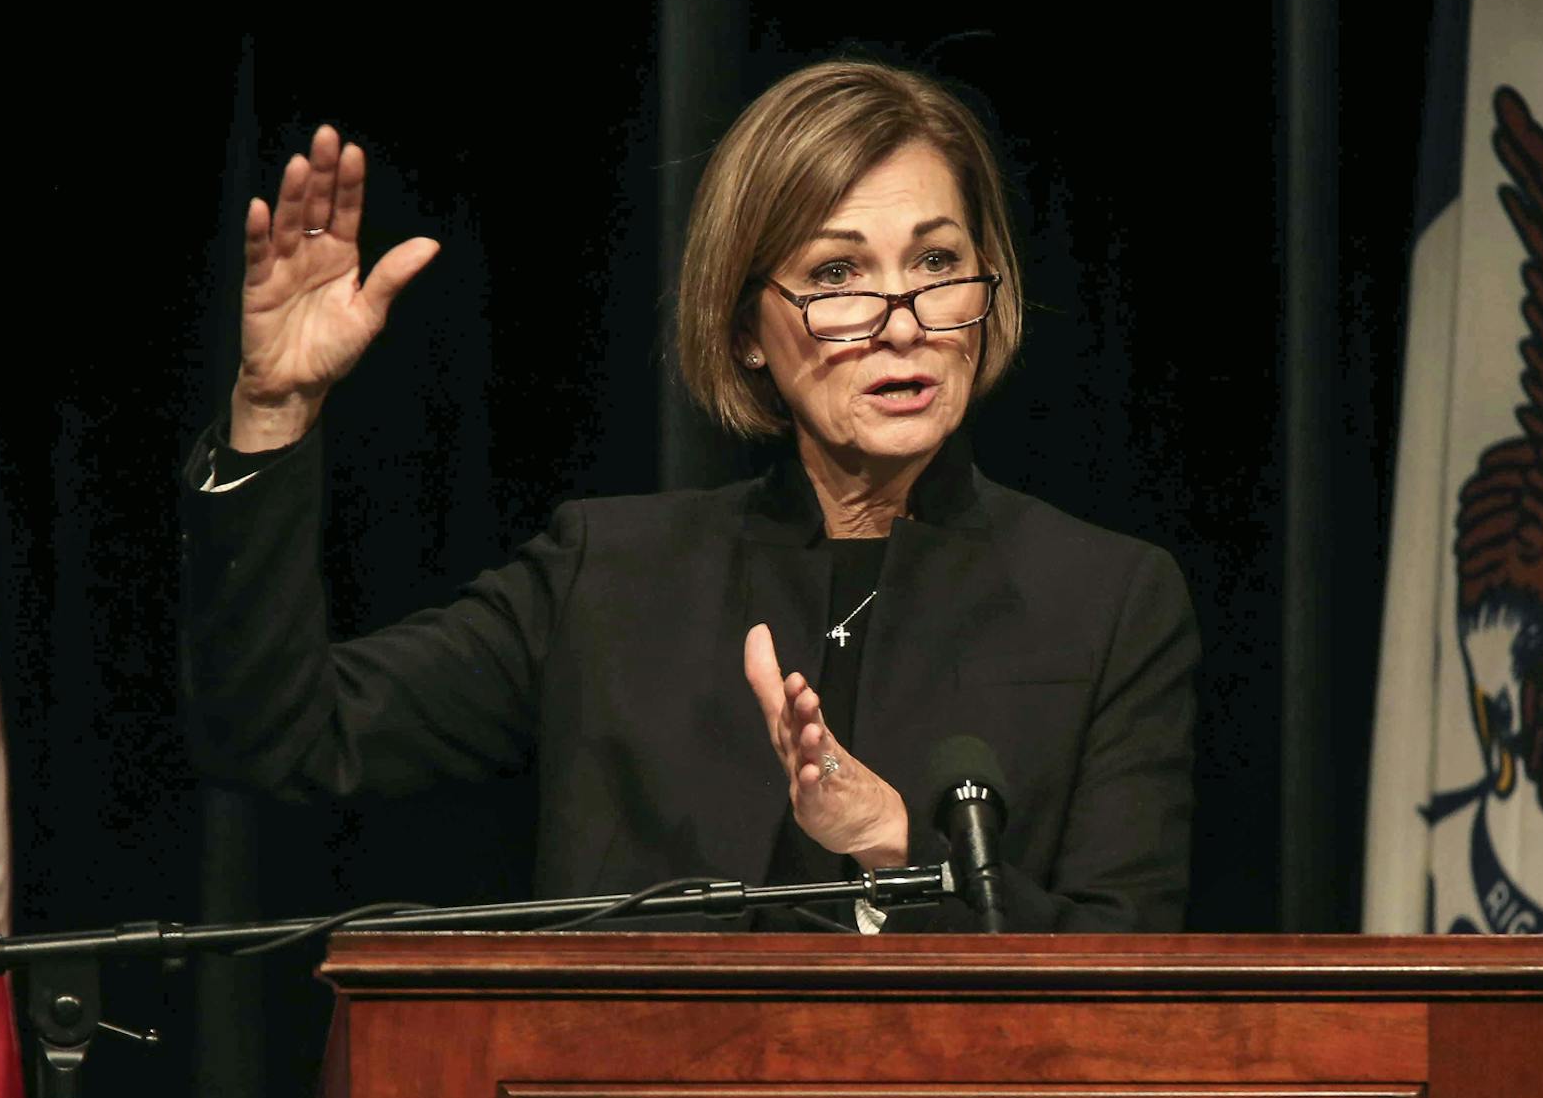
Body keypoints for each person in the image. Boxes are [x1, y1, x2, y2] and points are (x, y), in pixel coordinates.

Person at [180, 59, 1198, 931]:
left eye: (937, 262)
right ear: (748, 328)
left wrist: (900, 850)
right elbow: (286, 736)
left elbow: (1134, 981)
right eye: (839, 272)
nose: (902, 320)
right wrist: (274, 411)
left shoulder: (1104, 602)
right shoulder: (610, 577)